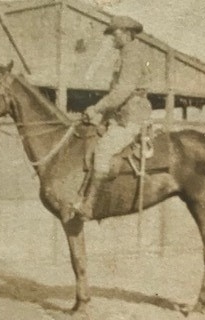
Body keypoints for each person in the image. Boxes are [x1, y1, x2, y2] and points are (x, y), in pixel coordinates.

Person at [75, 15, 153, 220]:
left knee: (103, 150)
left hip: (132, 116)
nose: (112, 39)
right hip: (120, 115)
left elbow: (122, 91)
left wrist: (97, 108)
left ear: (127, 34)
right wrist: (100, 119)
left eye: (115, 34)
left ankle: (90, 205)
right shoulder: (125, 54)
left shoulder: (133, 55)